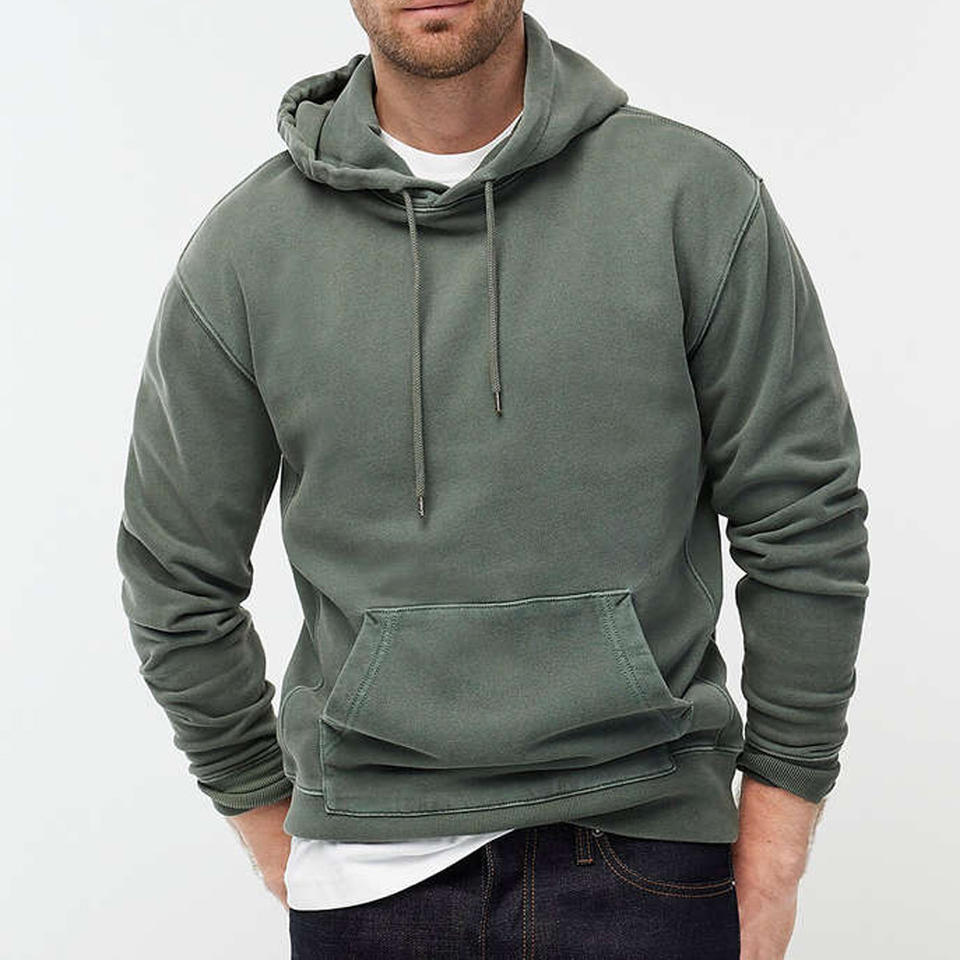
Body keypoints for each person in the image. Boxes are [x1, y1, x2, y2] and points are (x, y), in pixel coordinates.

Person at [115, 2, 871, 957]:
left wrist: (779, 834)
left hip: (647, 851)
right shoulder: (248, 248)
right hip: (369, 879)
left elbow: (803, 516)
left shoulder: (691, 197)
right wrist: (258, 807)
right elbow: (175, 576)